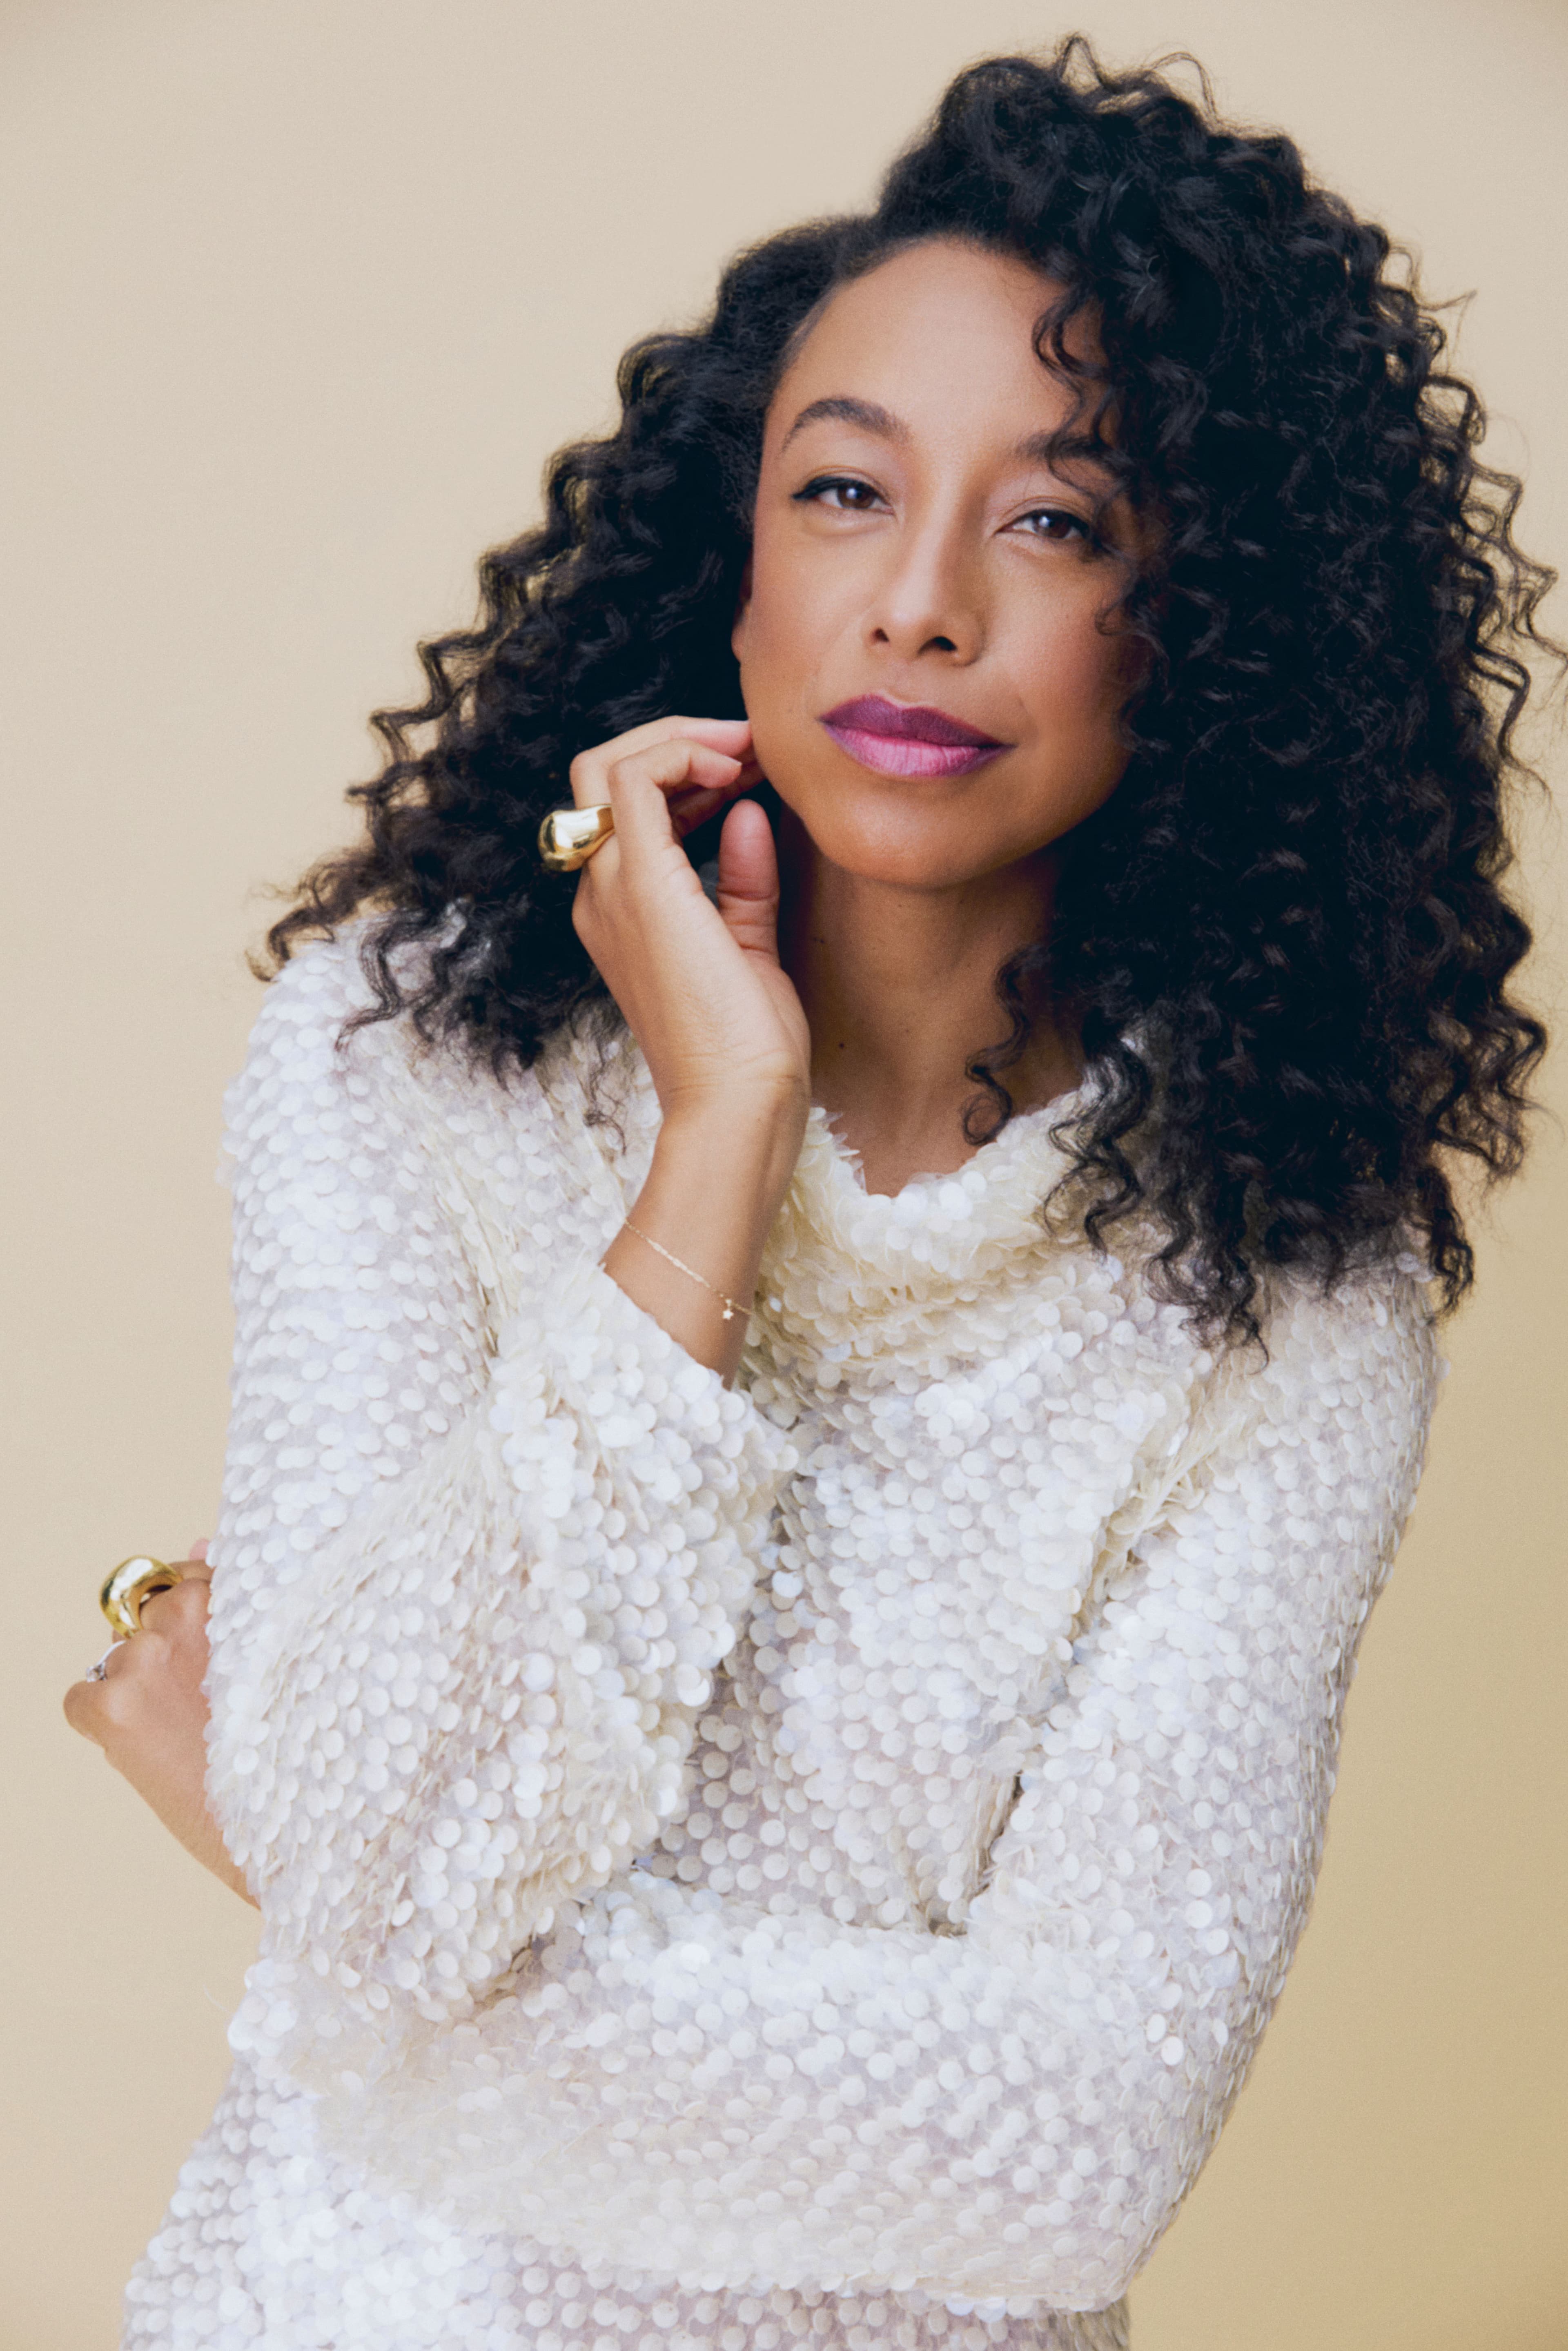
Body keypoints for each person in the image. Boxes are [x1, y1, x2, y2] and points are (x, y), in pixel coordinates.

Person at [63, 38, 1549, 2351]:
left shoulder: (1283, 1308)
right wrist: (711, 1158)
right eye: (845, 492)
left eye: (1056, 520)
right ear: (729, 568)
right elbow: (380, 1860)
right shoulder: (405, 1065)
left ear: (1209, 629)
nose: (925, 606)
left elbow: (1074, 2156)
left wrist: (345, 1904)